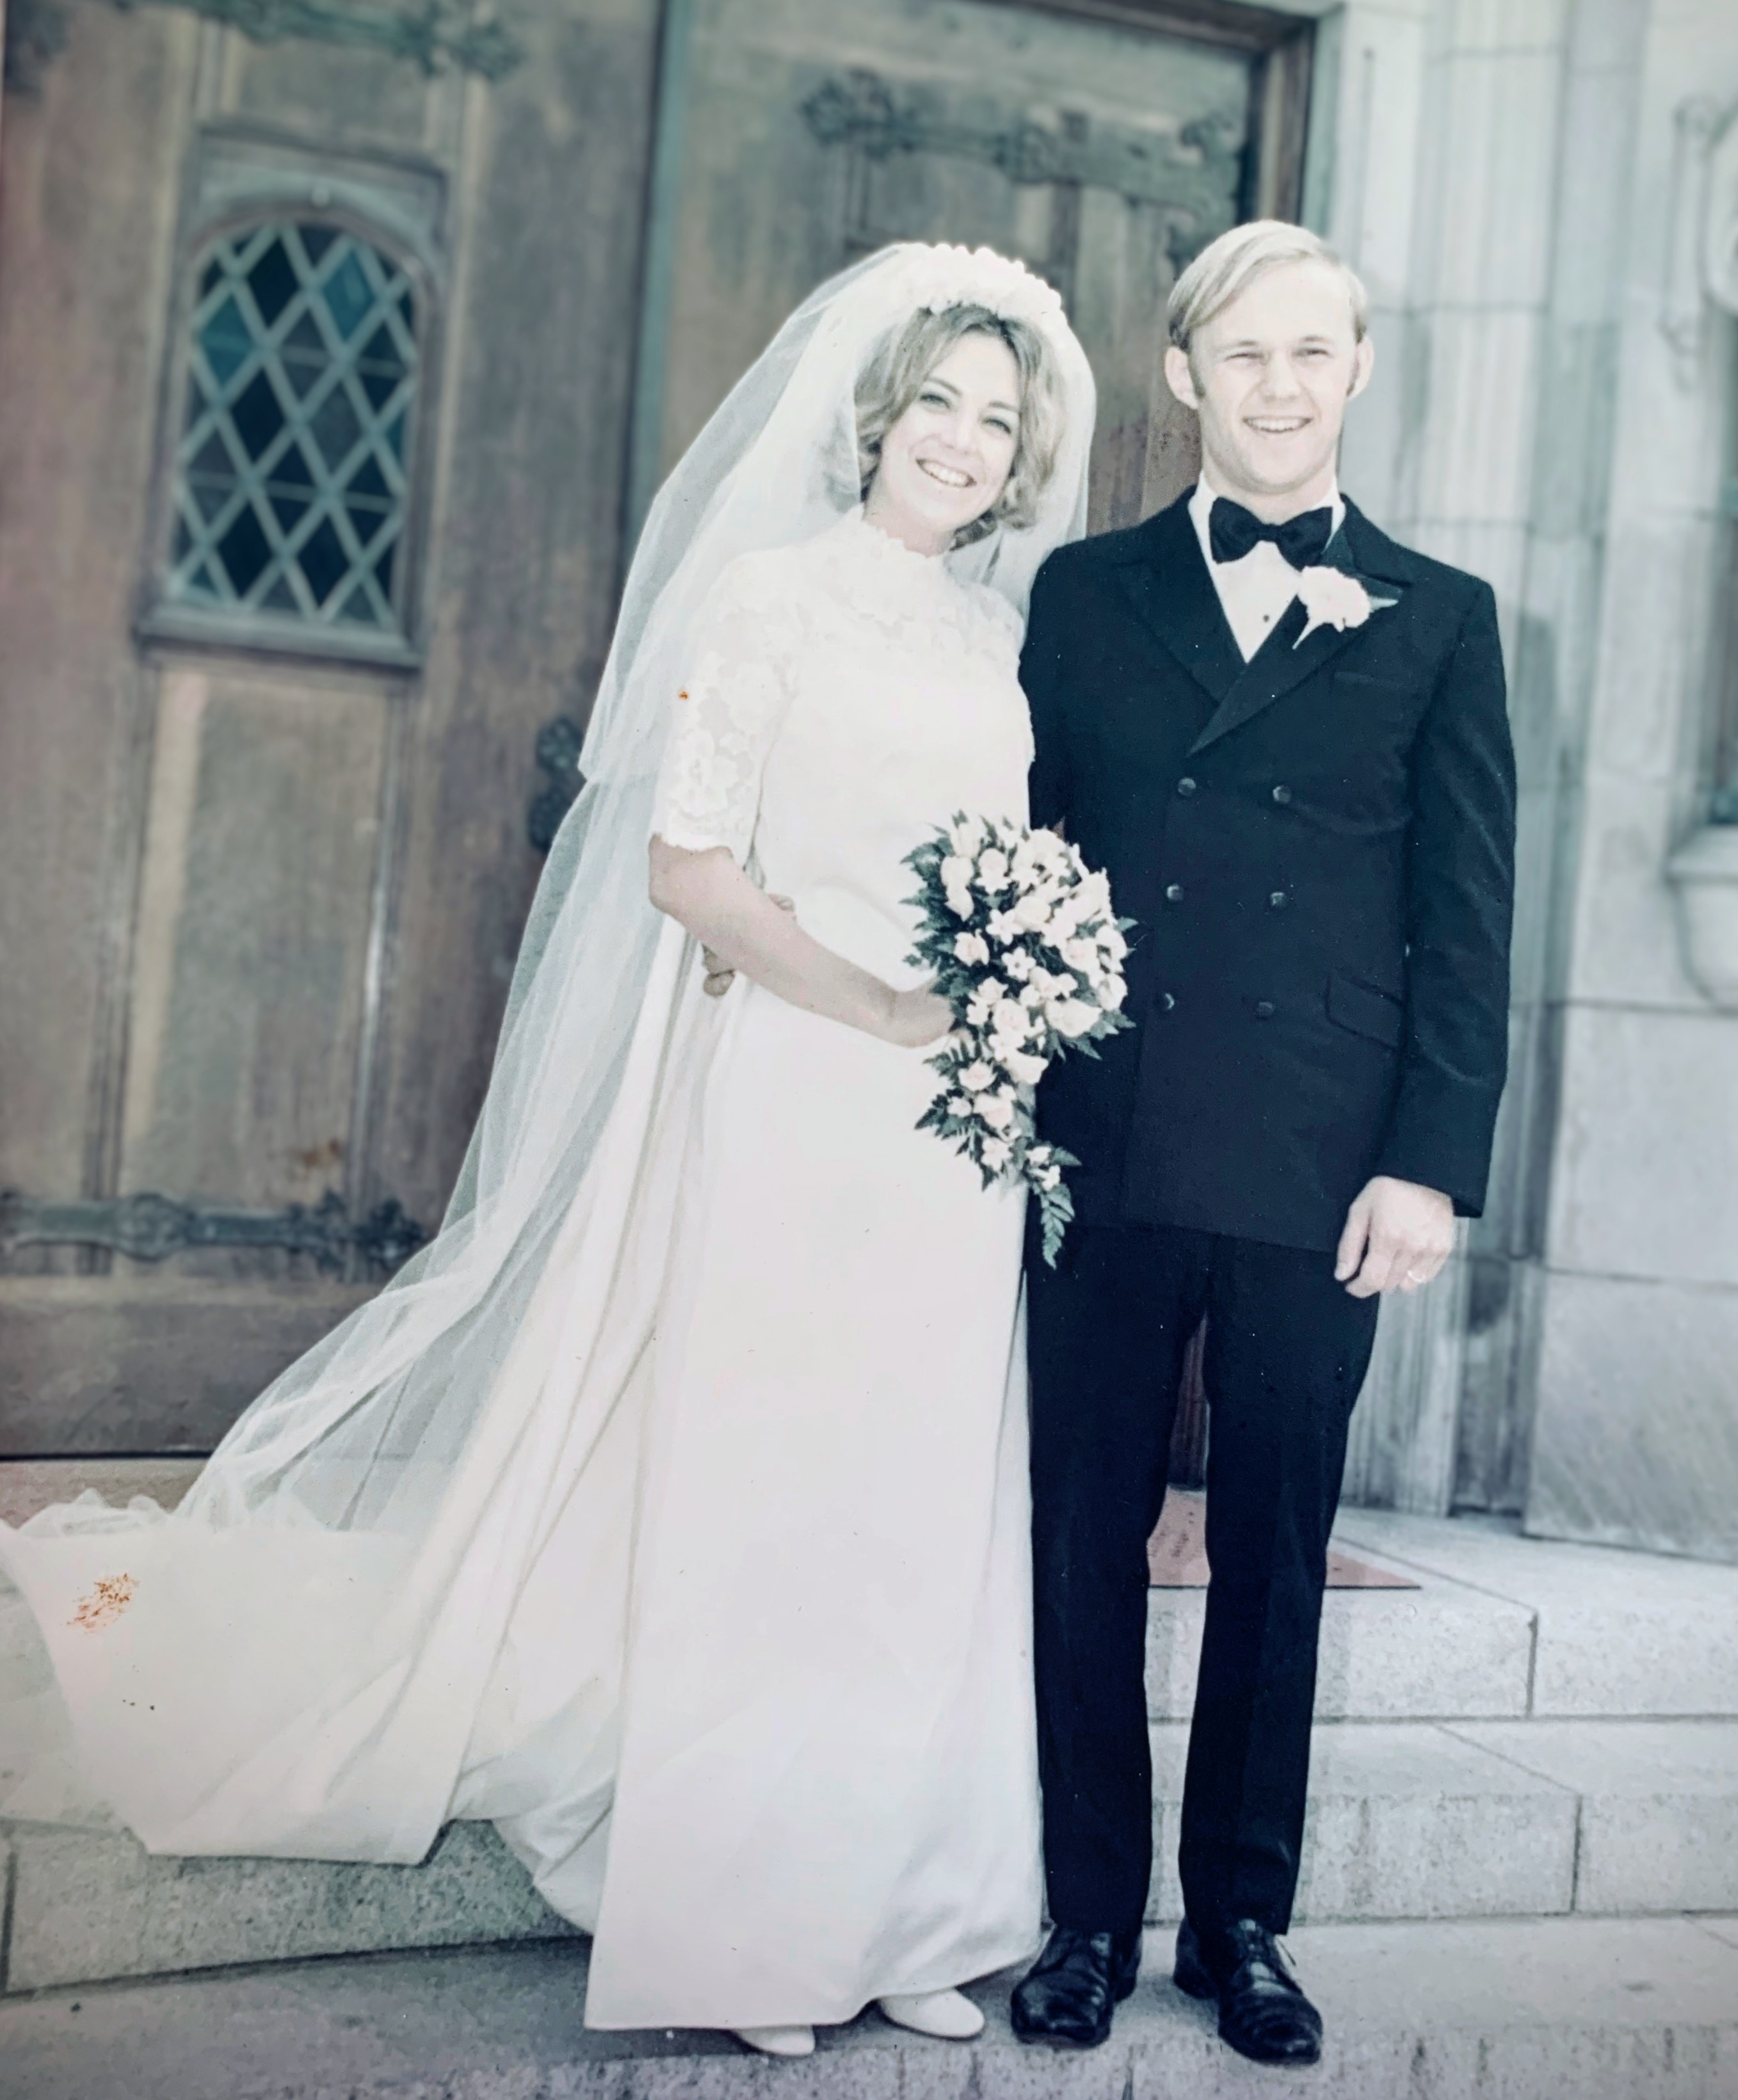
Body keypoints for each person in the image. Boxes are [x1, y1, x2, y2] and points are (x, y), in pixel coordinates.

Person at [0, 243, 1096, 2056]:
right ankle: (751, 1927)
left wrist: (999, 1000)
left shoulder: (995, 637)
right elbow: (690, 869)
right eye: (940, 403)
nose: (963, 441)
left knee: (913, 1507)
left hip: (951, 1135)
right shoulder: (769, 598)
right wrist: (876, 1002)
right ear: (879, 410)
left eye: (998, 419)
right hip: (799, 1086)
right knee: (773, 1485)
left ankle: (908, 1900)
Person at [1009, 220, 1515, 2068]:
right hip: (1107, 1135)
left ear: (1358, 369)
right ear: (1183, 377)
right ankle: (1082, 1916)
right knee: (1083, 1530)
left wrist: (1431, 1163)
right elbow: (1014, 851)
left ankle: (1243, 1923)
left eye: (1312, 353)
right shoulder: (1082, 594)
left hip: (1324, 1160)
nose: (1280, 388)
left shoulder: (1440, 614)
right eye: (1245, 355)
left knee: (1277, 1545)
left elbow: (1466, 916)